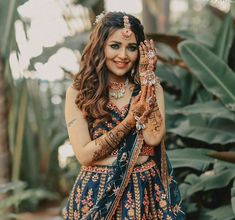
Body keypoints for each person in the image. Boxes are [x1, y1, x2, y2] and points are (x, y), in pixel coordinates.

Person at [63, 11, 185, 220]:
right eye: (115, 46)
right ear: (100, 47)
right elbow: (83, 155)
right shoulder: (80, 93)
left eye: (132, 48)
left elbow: (154, 138)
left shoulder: (151, 88)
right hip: (97, 194)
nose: (123, 56)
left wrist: (147, 81)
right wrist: (129, 121)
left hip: (145, 192)